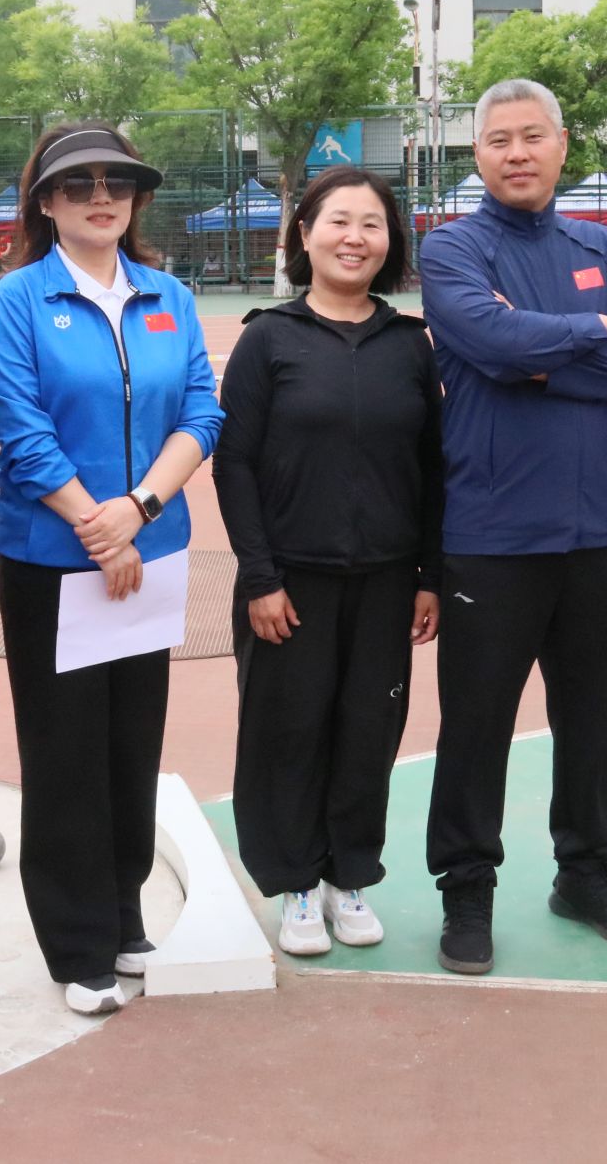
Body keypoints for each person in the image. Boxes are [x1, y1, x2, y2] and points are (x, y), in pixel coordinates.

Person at [418, 80, 607, 976]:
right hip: (490, 533)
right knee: (476, 723)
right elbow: (490, 343)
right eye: (500, 139)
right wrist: (592, 332)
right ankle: (466, 888)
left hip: (597, 533)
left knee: (593, 719)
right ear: (478, 155)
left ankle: (585, 873)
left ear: (563, 145)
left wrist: (541, 361)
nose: (518, 153)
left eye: (533, 136)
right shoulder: (453, 248)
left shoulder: (602, 246)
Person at [0, 123, 222, 1015]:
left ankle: (123, 916)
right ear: (46, 202)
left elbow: (201, 411)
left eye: (116, 182)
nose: (100, 196)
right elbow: (22, 430)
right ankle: (76, 944)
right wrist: (97, 525)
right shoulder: (17, 301)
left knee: (130, 744)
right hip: (55, 563)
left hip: (148, 555)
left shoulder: (169, 297)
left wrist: (138, 512)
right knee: (64, 753)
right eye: (77, 184)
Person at [215, 166, 444, 957]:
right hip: (290, 583)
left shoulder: (409, 344)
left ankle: (350, 874)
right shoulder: (267, 338)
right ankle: (297, 884)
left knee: (367, 730)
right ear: (305, 234)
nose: (355, 237)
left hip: (386, 579)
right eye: (338, 221)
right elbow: (233, 464)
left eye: (371, 224)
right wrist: (260, 577)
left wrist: (429, 575)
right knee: (288, 732)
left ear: (390, 242)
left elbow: (433, 466)